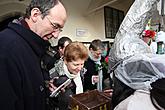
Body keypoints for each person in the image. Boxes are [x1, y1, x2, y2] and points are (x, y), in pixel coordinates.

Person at [0, 0, 67, 110]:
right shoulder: (5, 46)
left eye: (60, 29)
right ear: (35, 14)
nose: (56, 35)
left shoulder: (36, 46)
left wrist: (46, 87)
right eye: (55, 26)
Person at [49, 41, 88, 110]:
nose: (79, 68)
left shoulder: (81, 71)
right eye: (76, 64)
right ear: (66, 61)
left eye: (82, 64)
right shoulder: (54, 74)